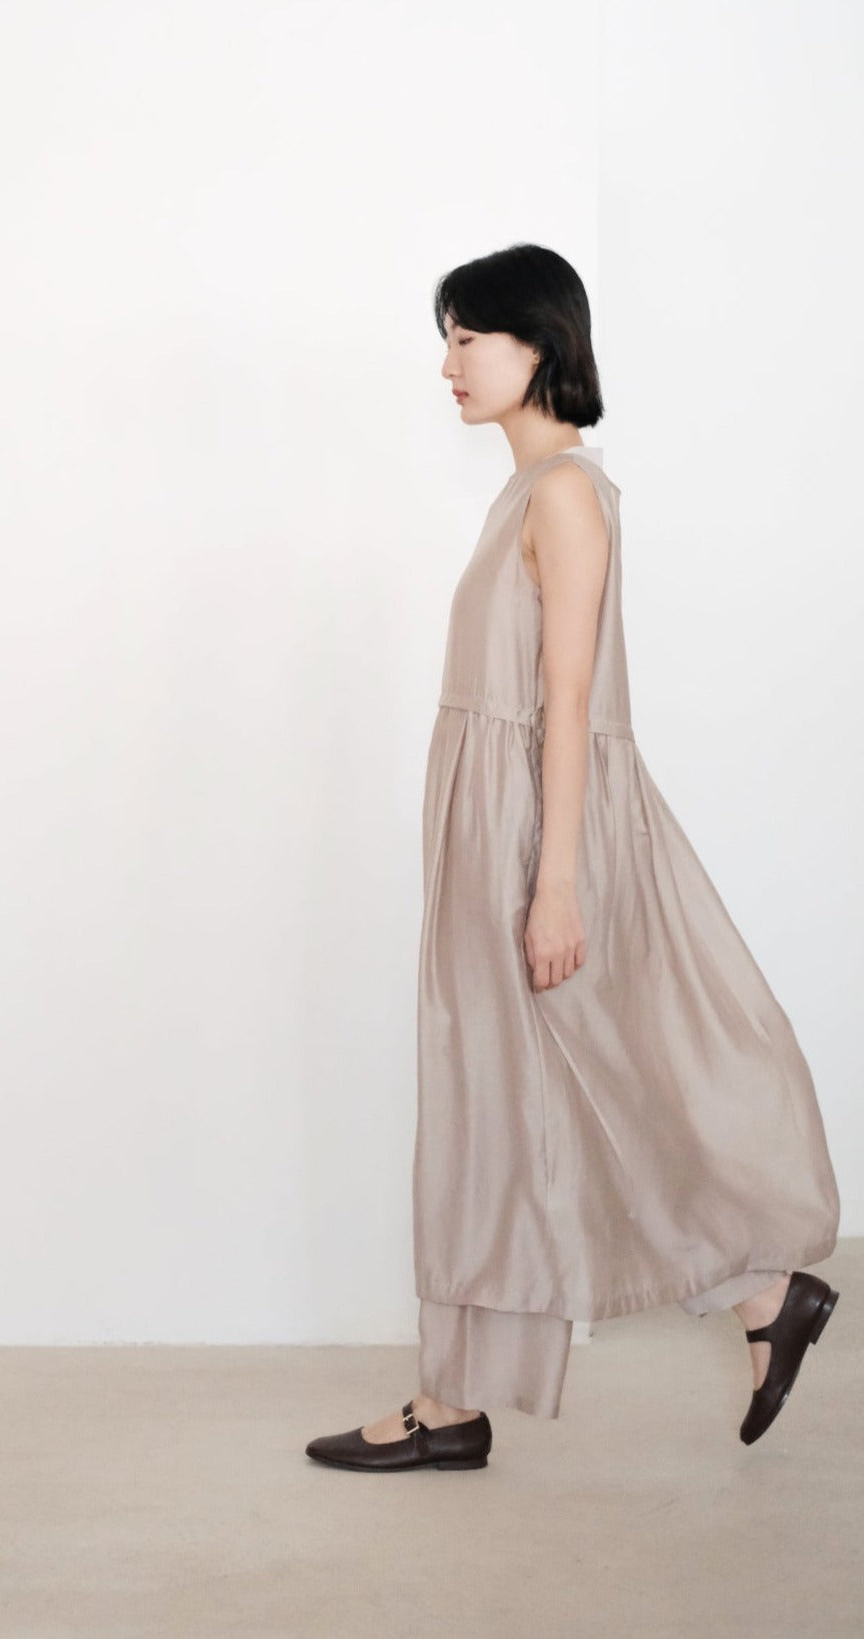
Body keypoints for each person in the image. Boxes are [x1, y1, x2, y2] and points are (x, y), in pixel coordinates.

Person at [305, 243, 841, 1474]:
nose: (447, 363)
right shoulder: (526, 493)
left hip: (529, 836)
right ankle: (475, 1388)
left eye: (466, 337)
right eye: (444, 338)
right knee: (495, 1095)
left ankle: (748, 1290)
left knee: (559, 1080)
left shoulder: (563, 496)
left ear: (537, 342)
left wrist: (553, 884)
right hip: (493, 828)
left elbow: (567, 702)